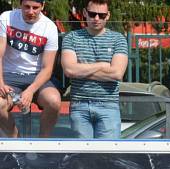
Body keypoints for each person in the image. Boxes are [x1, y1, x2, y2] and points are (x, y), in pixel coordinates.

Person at [61, 0, 128, 139]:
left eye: (101, 15)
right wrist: (102, 65)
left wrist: (81, 71)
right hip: (79, 105)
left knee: (108, 155)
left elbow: (117, 73)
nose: (96, 19)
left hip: (108, 104)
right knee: (82, 156)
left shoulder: (118, 39)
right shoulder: (71, 38)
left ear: (108, 16)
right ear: (85, 13)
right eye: (92, 14)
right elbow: (69, 71)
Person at [0, 0, 61, 138]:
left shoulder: (49, 27)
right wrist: (1, 82)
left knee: (54, 101)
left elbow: (47, 69)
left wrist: (30, 91)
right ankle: (16, 141)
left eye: (35, 8)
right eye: (26, 7)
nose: (30, 12)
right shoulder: (6, 17)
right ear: (20, 5)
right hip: (9, 74)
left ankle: (42, 145)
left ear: (43, 6)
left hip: (37, 76)